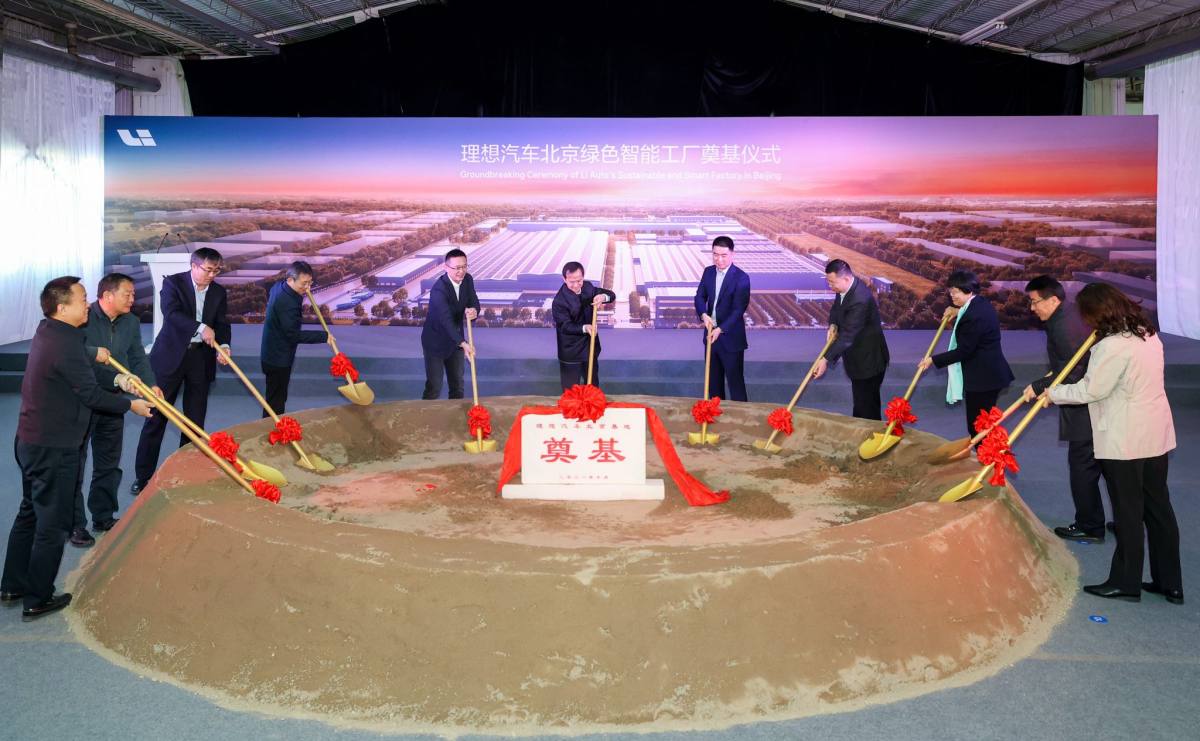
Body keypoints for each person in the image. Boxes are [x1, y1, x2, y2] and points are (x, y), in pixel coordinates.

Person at [1, 277, 153, 622]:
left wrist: (116, 376)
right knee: (52, 525)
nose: (87, 305)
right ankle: (37, 597)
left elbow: (80, 366)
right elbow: (91, 395)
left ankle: (12, 584)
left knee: (29, 511)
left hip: (31, 440)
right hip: (54, 447)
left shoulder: (48, 332)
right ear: (61, 307)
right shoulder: (66, 343)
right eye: (82, 300)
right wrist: (131, 405)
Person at [1047, 283, 1181, 604]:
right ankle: (1169, 582)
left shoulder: (1111, 346)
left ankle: (1126, 582)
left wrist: (1052, 394)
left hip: (1126, 438)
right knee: (1158, 509)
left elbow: (1091, 390)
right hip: (1155, 434)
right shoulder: (1147, 334)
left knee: (1128, 512)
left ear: (1098, 312)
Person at [70, 273, 161, 548]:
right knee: (76, 464)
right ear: (108, 296)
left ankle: (103, 515)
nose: (133, 299)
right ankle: (75, 524)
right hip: (84, 401)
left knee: (108, 463)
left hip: (113, 401)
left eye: (133, 294)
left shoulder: (131, 322)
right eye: (128, 294)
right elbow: (80, 363)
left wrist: (150, 385)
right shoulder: (82, 320)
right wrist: (116, 379)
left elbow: (137, 357)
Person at [132, 247, 230, 494]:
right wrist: (200, 327)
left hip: (201, 359)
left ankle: (186, 474)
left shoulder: (219, 291)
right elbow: (172, 314)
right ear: (194, 266)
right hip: (170, 357)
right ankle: (143, 478)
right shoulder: (173, 283)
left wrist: (224, 346)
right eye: (208, 270)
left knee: (194, 422)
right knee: (157, 418)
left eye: (216, 270)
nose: (212, 275)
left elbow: (222, 323)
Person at [1021, 276, 1110, 543]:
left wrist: (1041, 387)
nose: (1031, 308)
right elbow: (1067, 364)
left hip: (1086, 408)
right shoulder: (1067, 315)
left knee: (1082, 466)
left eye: (1035, 302)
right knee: (1107, 465)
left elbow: (1075, 371)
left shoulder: (1063, 326)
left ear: (1053, 299)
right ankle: (1123, 521)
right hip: (1096, 405)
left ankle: (1090, 526)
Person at [919, 270, 1014, 438]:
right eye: (950, 292)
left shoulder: (973, 316)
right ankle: (986, 458)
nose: (952, 296)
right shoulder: (979, 303)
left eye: (955, 292)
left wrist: (933, 360)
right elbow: (966, 312)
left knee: (978, 427)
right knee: (982, 425)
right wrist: (957, 311)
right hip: (988, 374)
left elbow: (964, 351)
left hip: (984, 378)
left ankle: (987, 460)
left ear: (968, 291)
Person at [812, 259, 889, 419]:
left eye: (832, 282)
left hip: (869, 360)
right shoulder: (845, 288)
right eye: (828, 282)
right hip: (857, 357)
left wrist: (825, 359)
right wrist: (833, 324)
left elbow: (847, 335)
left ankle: (872, 439)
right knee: (861, 404)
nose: (830, 286)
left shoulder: (860, 299)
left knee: (867, 407)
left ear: (846, 279)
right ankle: (862, 435)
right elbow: (836, 307)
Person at [260, 262, 332, 415]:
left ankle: (271, 427)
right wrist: (323, 336)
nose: (307, 288)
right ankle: (273, 431)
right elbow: (293, 335)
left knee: (274, 396)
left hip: (270, 352)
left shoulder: (279, 286)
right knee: (276, 401)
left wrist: (303, 288)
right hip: (278, 358)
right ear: (291, 279)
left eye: (310, 282)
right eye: (304, 283)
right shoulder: (288, 303)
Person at [693, 236, 751, 402]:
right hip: (711, 336)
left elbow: (739, 309)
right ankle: (716, 420)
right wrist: (703, 314)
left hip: (730, 338)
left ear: (732, 254)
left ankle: (741, 421)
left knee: (735, 384)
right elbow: (699, 296)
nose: (719, 259)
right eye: (715, 255)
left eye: (723, 255)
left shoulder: (741, 277)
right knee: (714, 385)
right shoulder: (708, 272)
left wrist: (720, 329)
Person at [421, 249, 480, 399]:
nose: (461, 271)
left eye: (464, 266)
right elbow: (446, 321)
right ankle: (426, 418)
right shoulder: (439, 290)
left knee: (457, 386)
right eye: (457, 268)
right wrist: (463, 343)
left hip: (456, 340)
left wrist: (474, 310)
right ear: (446, 268)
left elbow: (474, 300)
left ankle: (456, 418)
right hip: (436, 341)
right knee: (434, 386)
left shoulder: (468, 279)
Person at [552, 261, 616, 390]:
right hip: (571, 352)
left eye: (579, 280)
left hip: (589, 348)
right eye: (571, 282)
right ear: (564, 279)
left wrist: (602, 297)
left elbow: (611, 295)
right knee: (570, 392)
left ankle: (592, 409)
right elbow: (565, 326)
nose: (576, 285)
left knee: (593, 387)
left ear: (583, 277)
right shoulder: (559, 301)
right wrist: (585, 328)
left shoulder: (588, 287)